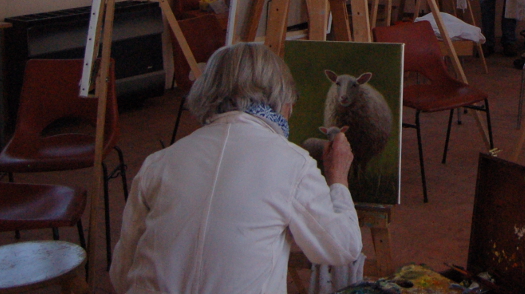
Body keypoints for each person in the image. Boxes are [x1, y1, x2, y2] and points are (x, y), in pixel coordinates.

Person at [110, 43, 362, 294]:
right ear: (282, 99)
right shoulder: (293, 163)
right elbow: (342, 247)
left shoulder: (159, 163)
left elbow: (121, 275)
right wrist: (338, 176)